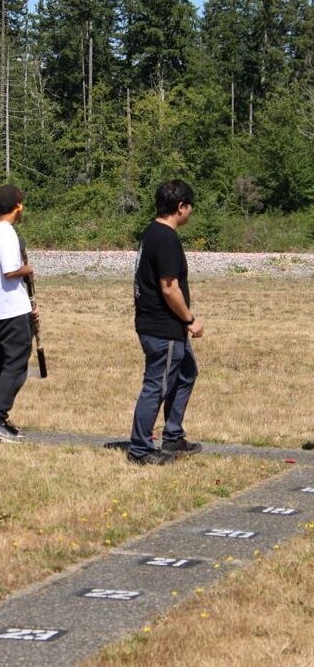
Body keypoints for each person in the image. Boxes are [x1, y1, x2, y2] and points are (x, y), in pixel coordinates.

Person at [121, 179, 204, 465]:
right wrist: (190, 319)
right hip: (162, 328)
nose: (191, 211)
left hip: (163, 325)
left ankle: (173, 436)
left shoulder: (152, 232)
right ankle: (140, 449)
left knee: (187, 372)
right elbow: (169, 288)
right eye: (190, 206)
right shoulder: (165, 238)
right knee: (156, 385)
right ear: (180, 207)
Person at [0, 184, 36, 443]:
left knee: (2, 364)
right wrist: (28, 269)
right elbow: (10, 270)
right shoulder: (6, 233)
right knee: (16, 366)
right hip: (11, 310)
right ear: (17, 206)